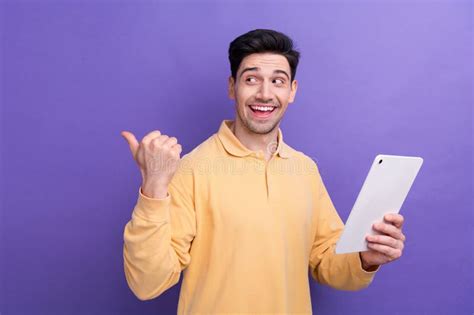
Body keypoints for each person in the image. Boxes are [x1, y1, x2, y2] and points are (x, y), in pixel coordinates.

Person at [121, 29, 406, 314]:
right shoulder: (192, 169)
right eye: (251, 79)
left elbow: (327, 263)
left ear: (292, 90)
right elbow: (148, 284)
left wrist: (365, 258)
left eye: (277, 81)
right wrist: (153, 189)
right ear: (233, 87)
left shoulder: (304, 169)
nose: (265, 93)